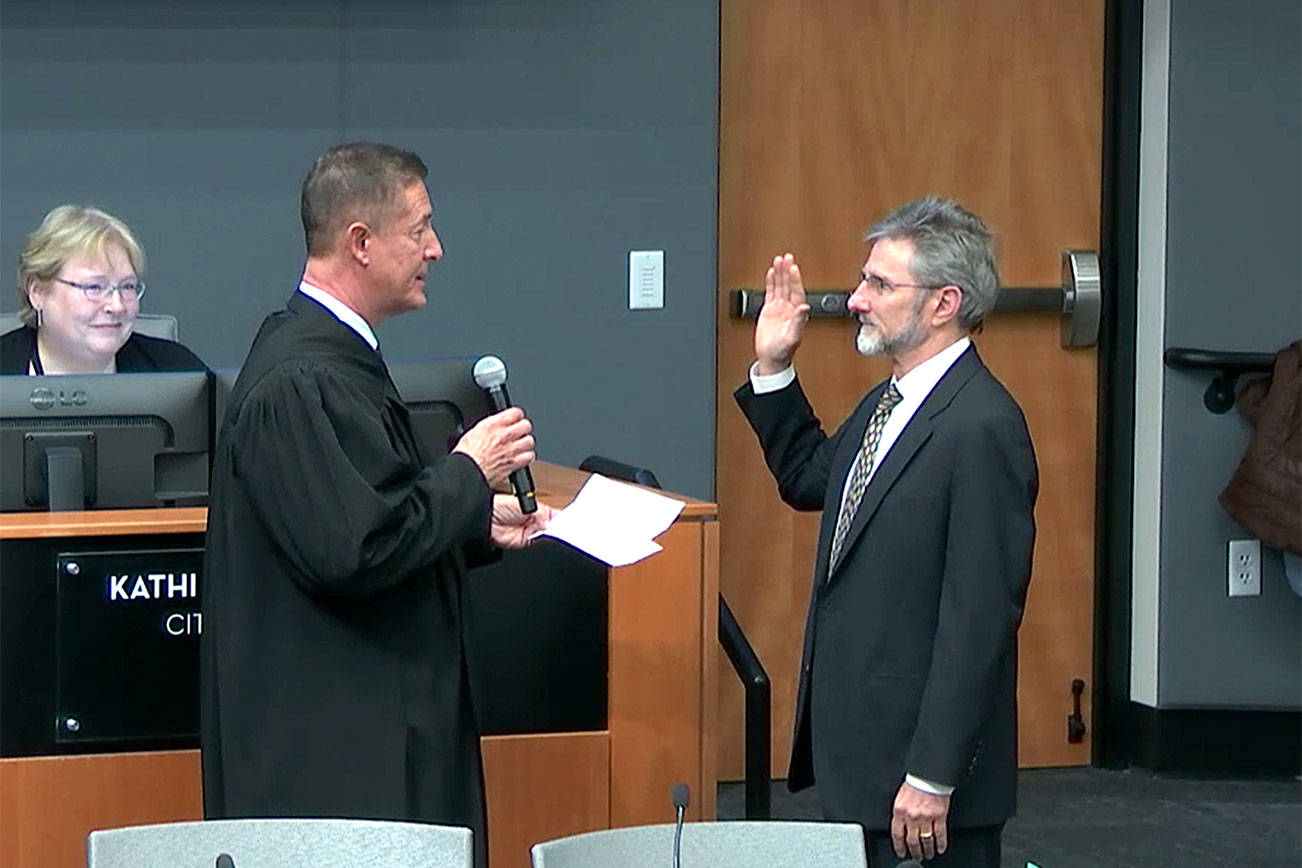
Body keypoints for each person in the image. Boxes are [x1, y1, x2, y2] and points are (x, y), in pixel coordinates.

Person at [200, 142, 550, 868]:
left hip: (372, 734)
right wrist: (468, 470)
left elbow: (373, 513)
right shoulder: (302, 379)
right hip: (337, 760)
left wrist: (476, 524)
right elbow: (352, 550)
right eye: (420, 229)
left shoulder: (334, 359)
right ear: (360, 242)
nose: (437, 248)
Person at [735, 197, 1037, 866]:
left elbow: (979, 618)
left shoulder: (981, 427)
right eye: (863, 280)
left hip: (924, 786)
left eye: (879, 285)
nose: (855, 300)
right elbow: (812, 479)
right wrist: (775, 366)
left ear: (943, 303)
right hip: (867, 764)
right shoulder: (890, 401)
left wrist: (933, 774)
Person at [2, 205, 206, 374]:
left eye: (127, 286)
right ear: (38, 292)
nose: (117, 306)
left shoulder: (178, 370)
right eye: (94, 287)